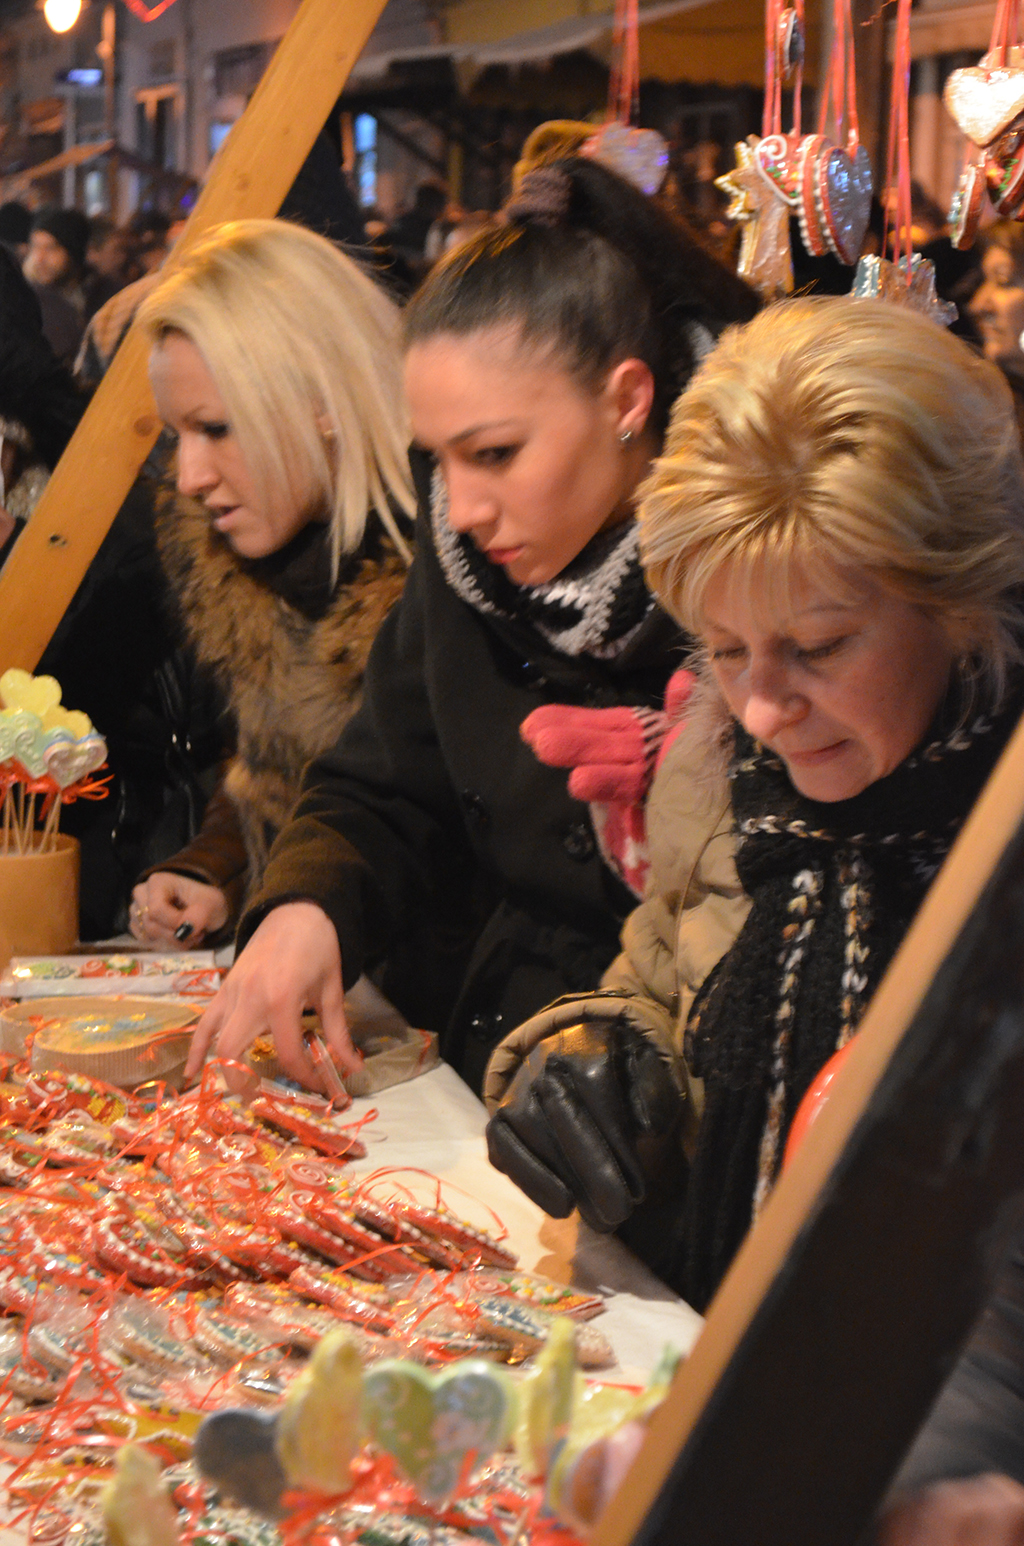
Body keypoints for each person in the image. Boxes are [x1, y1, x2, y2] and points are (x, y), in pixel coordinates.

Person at [484, 295, 1024, 1311]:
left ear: (959, 603)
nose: (765, 710)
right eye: (725, 648)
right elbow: (662, 971)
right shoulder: (720, 762)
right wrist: (605, 1064)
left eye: (819, 646)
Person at [183, 154, 760, 1096]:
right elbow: (384, 785)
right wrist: (306, 905)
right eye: (439, 460)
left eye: (494, 453)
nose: (464, 507)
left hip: (693, 1069)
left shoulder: (758, 563)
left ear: (627, 401)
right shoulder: (463, 569)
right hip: (500, 1050)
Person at [126, 218, 415, 953]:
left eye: (217, 428)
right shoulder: (242, 572)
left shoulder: (457, 576)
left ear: (324, 401)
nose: (189, 477)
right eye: (178, 435)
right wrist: (215, 871)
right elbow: (279, 775)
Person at [23, 206, 90, 364]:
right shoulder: (24, 298)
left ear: (73, 253)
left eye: (51, 248)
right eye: (35, 246)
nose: (39, 258)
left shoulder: (101, 294)